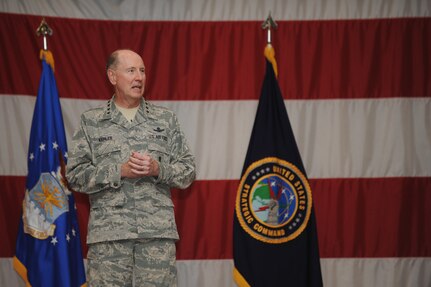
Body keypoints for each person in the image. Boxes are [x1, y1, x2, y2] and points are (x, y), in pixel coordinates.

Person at [66, 49, 196, 287]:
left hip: (156, 237)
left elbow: (188, 171)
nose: (139, 77)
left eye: (143, 70)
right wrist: (119, 171)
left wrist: (158, 169)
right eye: (131, 70)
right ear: (112, 76)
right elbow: (74, 175)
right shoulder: (92, 121)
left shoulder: (165, 120)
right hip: (109, 239)